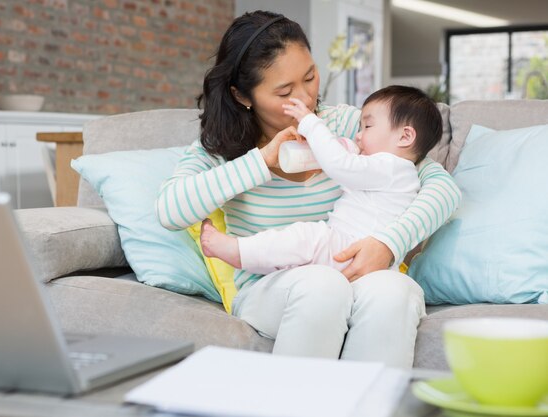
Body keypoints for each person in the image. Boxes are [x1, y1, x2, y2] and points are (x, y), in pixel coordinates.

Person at [156, 10, 461, 368]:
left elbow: (443, 189)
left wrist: (390, 243)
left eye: (310, 77)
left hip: (352, 274)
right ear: (243, 96)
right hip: (270, 288)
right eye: (285, 91)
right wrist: (261, 161)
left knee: (396, 291)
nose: (306, 98)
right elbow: (170, 211)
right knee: (321, 286)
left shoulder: (347, 125)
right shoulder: (222, 145)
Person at [199, 85, 444, 276]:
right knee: (295, 251)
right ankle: (256, 261)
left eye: (367, 126)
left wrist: (311, 124)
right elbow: (347, 162)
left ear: (405, 136)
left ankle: (239, 252)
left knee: (304, 237)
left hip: (349, 249)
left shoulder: (393, 167)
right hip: (351, 253)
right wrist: (339, 147)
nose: (358, 136)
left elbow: (340, 166)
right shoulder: (391, 170)